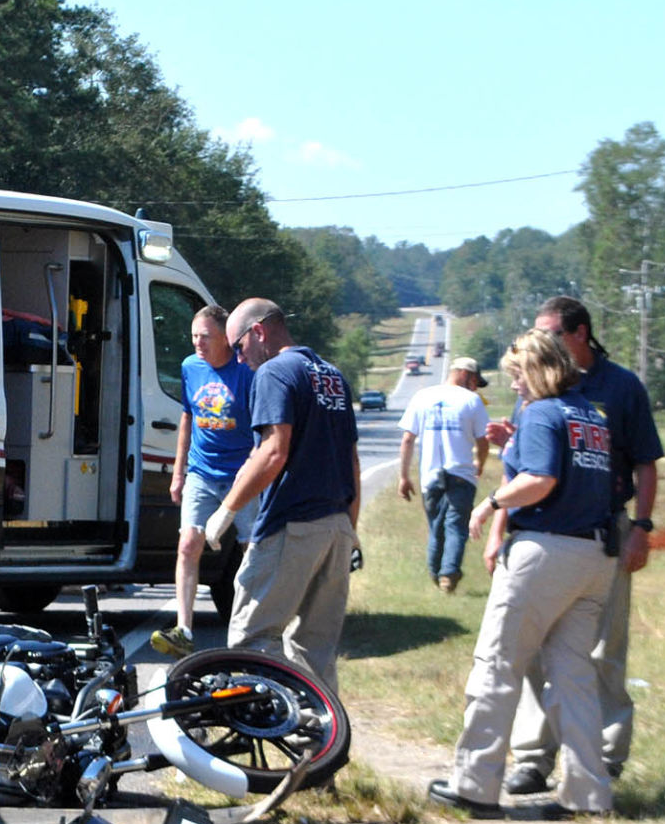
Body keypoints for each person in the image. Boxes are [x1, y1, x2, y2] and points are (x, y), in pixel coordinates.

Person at [428, 330, 616, 818]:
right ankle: (588, 793)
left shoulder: (542, 413)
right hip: (594, 557)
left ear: (535, 370)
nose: (515, 387)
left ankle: (475, 783)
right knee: (573, 677)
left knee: (497, 665)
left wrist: (491, 503)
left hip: (544, 552)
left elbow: (541, 479)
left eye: (516, 375)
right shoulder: (590, 418)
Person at [504, 295, 663, 794]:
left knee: (601, 649)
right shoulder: (532, 385)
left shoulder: (620, 387)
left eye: (551, 333)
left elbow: (645, 461)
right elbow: (531, 456)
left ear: (580, 333)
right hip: (542, 530)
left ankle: (604, 757)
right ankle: (533, 758)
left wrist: (642, 527)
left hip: (604, 531)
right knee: (530, 649)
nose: (543, 342)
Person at [204, 298, 359, 695]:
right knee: (315, 650)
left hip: (293, 523)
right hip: (336, 527)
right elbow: (351, 460)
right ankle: (318, 743)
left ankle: (265, 729)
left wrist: (226, 509)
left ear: (259, 332)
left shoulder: (274, 372)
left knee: (250, 637)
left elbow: (274, 451)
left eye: (238, 346)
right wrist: (351, 530)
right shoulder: (331, 376)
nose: (239, 360)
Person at [151, 304, 256, 657]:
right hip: (201, 472)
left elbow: (262, 427)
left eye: (205, 336)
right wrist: (178, 471)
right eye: (194, 335)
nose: (198, 342)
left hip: (242, 475)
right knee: (187, 545)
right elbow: (187, 419)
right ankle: (184, 629)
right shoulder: (189, 367)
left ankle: (250, 629)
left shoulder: (247, 372)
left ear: (225, 338)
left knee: (251, 551)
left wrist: (254, 469)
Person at [396, 355, 491, 592]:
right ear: (466, 374)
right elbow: (483, 440)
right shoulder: (472, 401)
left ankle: (435, 572)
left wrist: (404, 476)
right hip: (462, 473)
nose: (475, 386)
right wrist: (480, 462)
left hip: (431, 475)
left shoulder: (423, 397)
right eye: (475, 381)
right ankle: (448, 574)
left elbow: (408, 439)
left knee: (436, 527)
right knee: (456, 526)